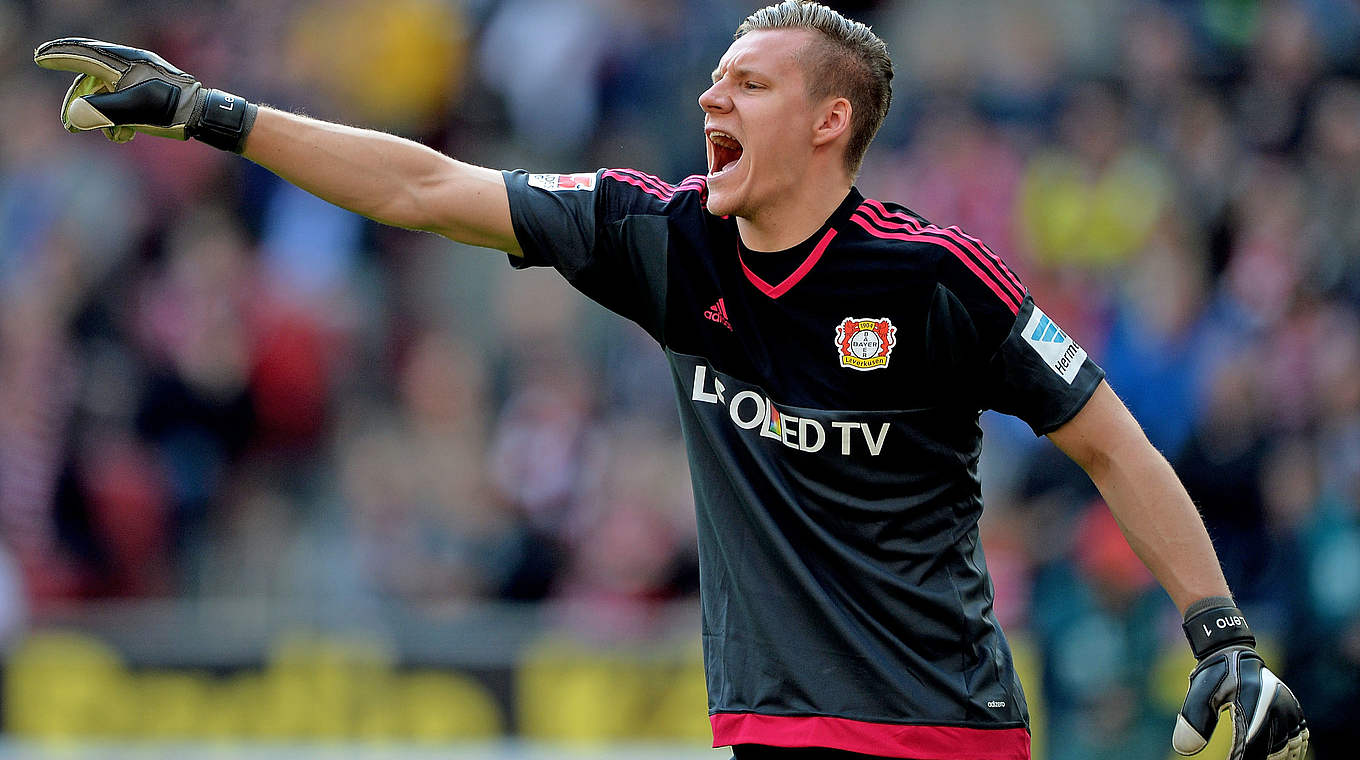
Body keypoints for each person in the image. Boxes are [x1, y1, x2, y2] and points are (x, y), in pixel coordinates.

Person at [34, 3, 1308, 759]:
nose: (711, 92)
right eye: (714, 76)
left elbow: (1112, 442)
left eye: (748, 82)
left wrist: (1220, 637)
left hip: (937, 730)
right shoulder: (662, 237)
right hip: (766, 725)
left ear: (828, 124)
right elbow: (425, 186)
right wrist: (213, 112)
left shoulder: (934, 278)